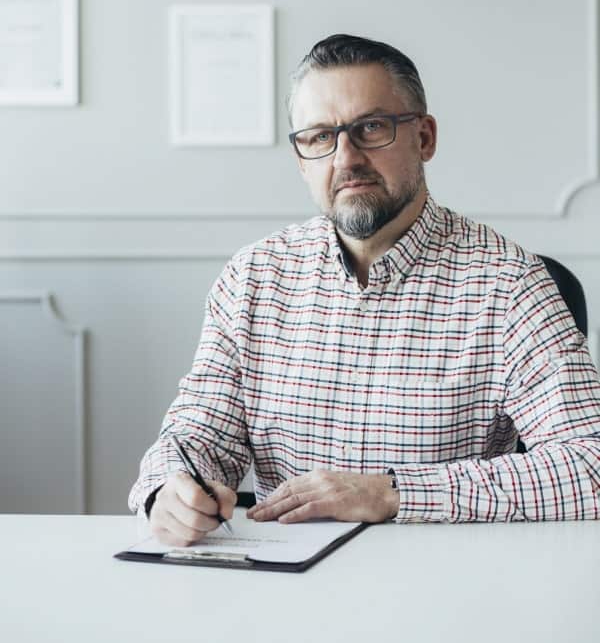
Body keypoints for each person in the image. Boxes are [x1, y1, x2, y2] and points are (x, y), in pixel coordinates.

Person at [129, 34, 600, 546]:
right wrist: (167, 489)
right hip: (284, 586)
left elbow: (590, 465)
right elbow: (198, 437)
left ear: (424, 138)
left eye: (371, 127)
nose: (345, 157)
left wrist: (391, 494)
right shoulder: (253, 277)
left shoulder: (511, 285)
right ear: (301, 158)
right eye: (319, 137)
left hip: (450, 589)